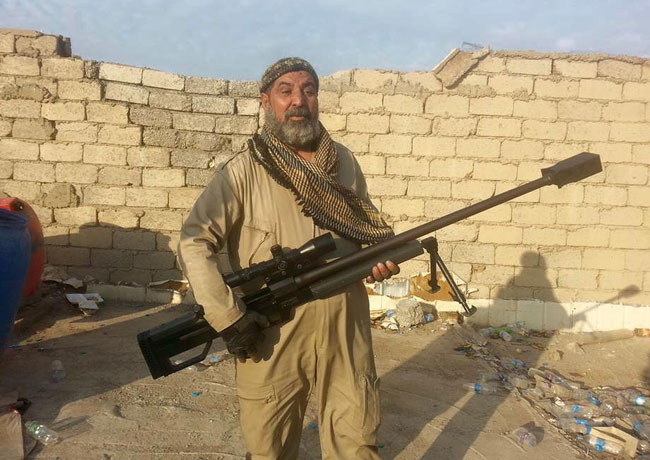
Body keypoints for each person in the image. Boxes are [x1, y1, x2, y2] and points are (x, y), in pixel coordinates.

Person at [178, 57, 399, 459]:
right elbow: (195, 241)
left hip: (344, 320)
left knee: (357, 436)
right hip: (275, 324)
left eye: (308, 90)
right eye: (286, 91)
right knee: (270, 444)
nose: (299, 100)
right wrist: (228, 317)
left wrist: (376, 258)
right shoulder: (243, 171)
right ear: (266, 101)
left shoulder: (344, 162)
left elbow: (365, 226)